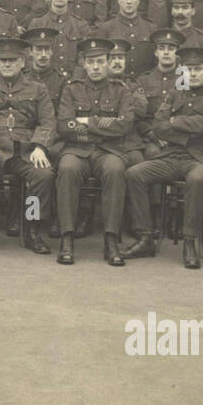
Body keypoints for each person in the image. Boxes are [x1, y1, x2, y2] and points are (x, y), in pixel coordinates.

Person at [121, 45, 203, 269]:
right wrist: (187, 132)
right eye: (189, 69)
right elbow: (159, 126)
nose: (194, 74)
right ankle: (145, 237)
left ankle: (189, 242)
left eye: (199, 69)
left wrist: (176, 123)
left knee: (197, 179)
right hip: (173, 156)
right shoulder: (175, 94)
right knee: (134, 173)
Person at [0, 37, 56, 255]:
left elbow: (47, 121)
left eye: (13, 60)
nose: (7, 64)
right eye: (3, 60)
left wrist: (39, 147)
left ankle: (32, 228)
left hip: (24, 151)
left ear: (23, 62)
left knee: (43, 175)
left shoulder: (37, 89)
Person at [55, 37, 140, 266]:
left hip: (109, 151)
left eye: (100, 61)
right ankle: (67, 238)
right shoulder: (72, 89)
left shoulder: (121, 90)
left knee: (115, 170)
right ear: (83, 63)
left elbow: (125, 124)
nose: (95, 67)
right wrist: (103, 127)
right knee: (67, 168)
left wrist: (86, 122)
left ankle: (111, 239)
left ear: (108, 63)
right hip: (77, 150)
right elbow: (64, 126)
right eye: (90, 62)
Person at [27, 0, 97, 78]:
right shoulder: (37, 23)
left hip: (73, 82)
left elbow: (86, 56)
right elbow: (29, 56)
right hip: (45, 81)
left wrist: (74, 81)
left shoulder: (80, 25)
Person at [95, 0, 156, 75]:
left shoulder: (150, 28)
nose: (129, 1)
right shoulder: (105, 28)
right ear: (118, 0)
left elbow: (155, 63)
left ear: (139, 0)